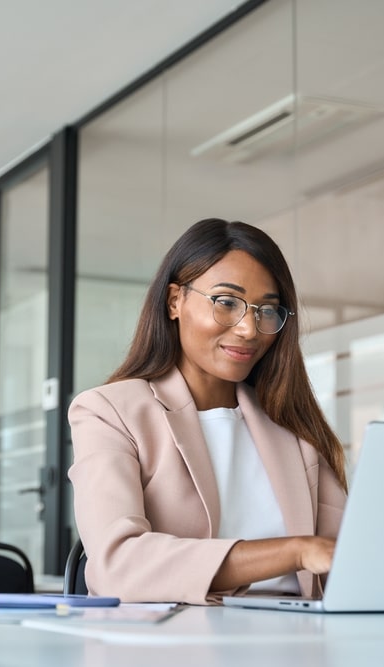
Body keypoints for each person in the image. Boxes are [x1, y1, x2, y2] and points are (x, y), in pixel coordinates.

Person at [68, 218, 348, 605]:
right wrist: (295, 551)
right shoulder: (111, 412)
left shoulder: (293, 429)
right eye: (227, 302)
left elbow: (346, 555)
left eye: (267, 310)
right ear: (174, 302)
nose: (250, 329)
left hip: (302, 641)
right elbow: (118, 566)